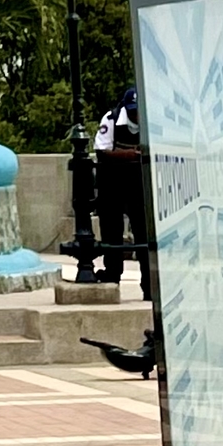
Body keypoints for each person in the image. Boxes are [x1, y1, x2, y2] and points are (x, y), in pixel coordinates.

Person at [93, 85, 146, 293]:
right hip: (112, 183)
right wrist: (133, 154)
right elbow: (102, 152)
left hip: (138, 184)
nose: (136, 115)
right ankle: (112, 276)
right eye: (132, 110)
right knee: (112, 233)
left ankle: (149, 283)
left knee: (143, 233)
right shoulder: (111, 119)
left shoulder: (151, 122)